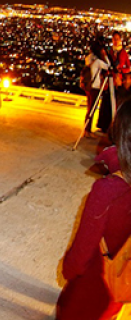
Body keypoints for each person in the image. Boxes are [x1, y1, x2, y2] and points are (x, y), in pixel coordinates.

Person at [56, 100, 131, 320]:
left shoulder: (107, 190)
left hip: (92, 291)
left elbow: (80, 255)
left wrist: (67, 271)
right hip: (120, 286)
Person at [84, 41, 109, 137]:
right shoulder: (98, 61)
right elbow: (108, 67)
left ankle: (87, 130)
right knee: (92, 109)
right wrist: (105, 56)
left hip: (88, 86)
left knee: (89, 108)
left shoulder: (88, 58)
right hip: (95, 87)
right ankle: (87, 131)